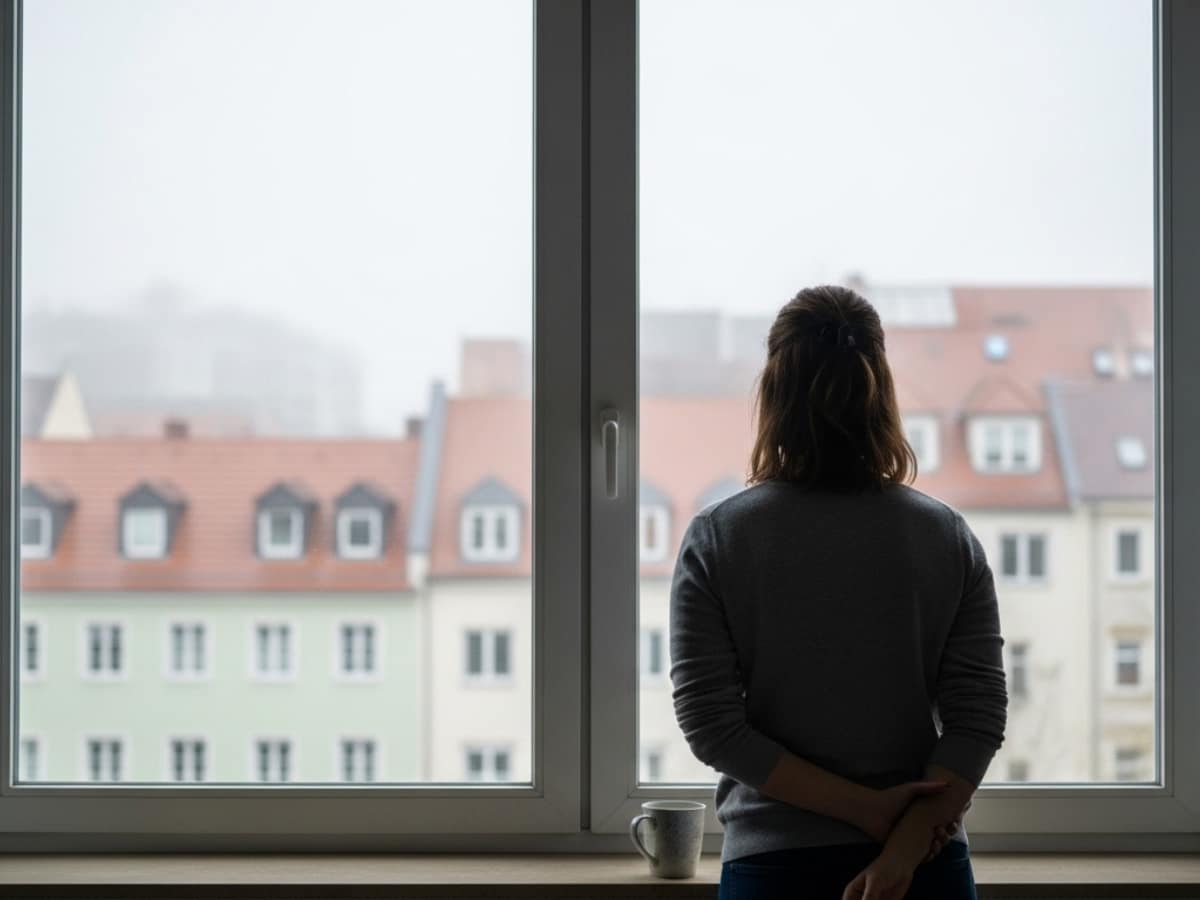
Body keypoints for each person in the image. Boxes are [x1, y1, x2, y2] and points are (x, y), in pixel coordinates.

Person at [670, 285, 1008, 899]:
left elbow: (712, 726)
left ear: (772, 391)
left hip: (775, 871)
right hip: (924, 864)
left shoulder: (719, 539)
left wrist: (864, 810)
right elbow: (977, 719)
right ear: (881, 388)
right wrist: (900, 848)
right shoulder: (945, 537)